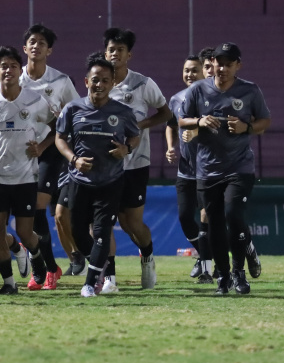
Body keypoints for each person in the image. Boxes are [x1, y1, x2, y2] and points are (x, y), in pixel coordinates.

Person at [179, 43, 271, 295]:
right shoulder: (199, 89)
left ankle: (239, 271)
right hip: (207, 169)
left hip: (239, 166)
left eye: (228, 63)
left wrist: (247, 128)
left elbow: (265, 121)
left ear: (237, 66)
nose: (222, 68)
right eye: (219, 62)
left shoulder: (249, 91)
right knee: (215, 224)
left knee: (233, 214)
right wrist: (199, 120)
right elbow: (181, 119)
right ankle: (223, 277)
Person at [55, 55, 140, 297]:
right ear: (86, 81)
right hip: (79, 182)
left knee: (102, 230)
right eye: (95, 80)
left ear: (113, 83)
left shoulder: (122, 112)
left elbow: (134, 136)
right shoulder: (72, 109)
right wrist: (74, 159)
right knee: (78, 231)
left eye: (105, 80)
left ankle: (90, 283)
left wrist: (127, 149)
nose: (99, 84)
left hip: (110, 182)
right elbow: (59, 138)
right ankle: (99, 267)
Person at [0, 46, 53, 295]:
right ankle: (9, 284)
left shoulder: (34, 100)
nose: (8, 70)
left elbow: (55, 126)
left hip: (25, 177)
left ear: (20, 71)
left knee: (24, 232)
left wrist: (40, 147)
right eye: (4, 66)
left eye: (13, 66)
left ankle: (37, 258)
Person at [103, 28, 172, 290]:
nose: (115, 54)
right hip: (106, 166)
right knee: (105, 220)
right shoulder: (98, 83)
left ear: (128, 55)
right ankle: (109, 277)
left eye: (120, 50)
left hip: (136, 164)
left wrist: (140, 125)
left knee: (130, 222)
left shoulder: (143, 84)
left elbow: (165, 114)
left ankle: (148, 256)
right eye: (111, 50)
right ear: (105, 53)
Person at [19, 24, 81, 289]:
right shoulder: (14, 79)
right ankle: (48, 266)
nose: (36, 46)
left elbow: (76, 113)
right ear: (25, 48)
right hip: (19, 153)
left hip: (50, 149)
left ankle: (47, 269)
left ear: (49, 50)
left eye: (42, 43)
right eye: (32, 41)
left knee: (37, 206)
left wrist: (46, 145)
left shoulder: (60, 81)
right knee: (26, 213)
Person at [165, 55, 214, 283]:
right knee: (185, 218)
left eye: (194, 70)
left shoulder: (212, 98)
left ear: (204, 72)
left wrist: (196, 131)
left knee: (206, 218)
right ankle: (206, 254)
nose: (189, 75)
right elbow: (170, 124)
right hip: (185, 170)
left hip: (208, 170)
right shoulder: (176, 99)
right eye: (186, 70)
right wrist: (170, 147)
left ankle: (208, 268)